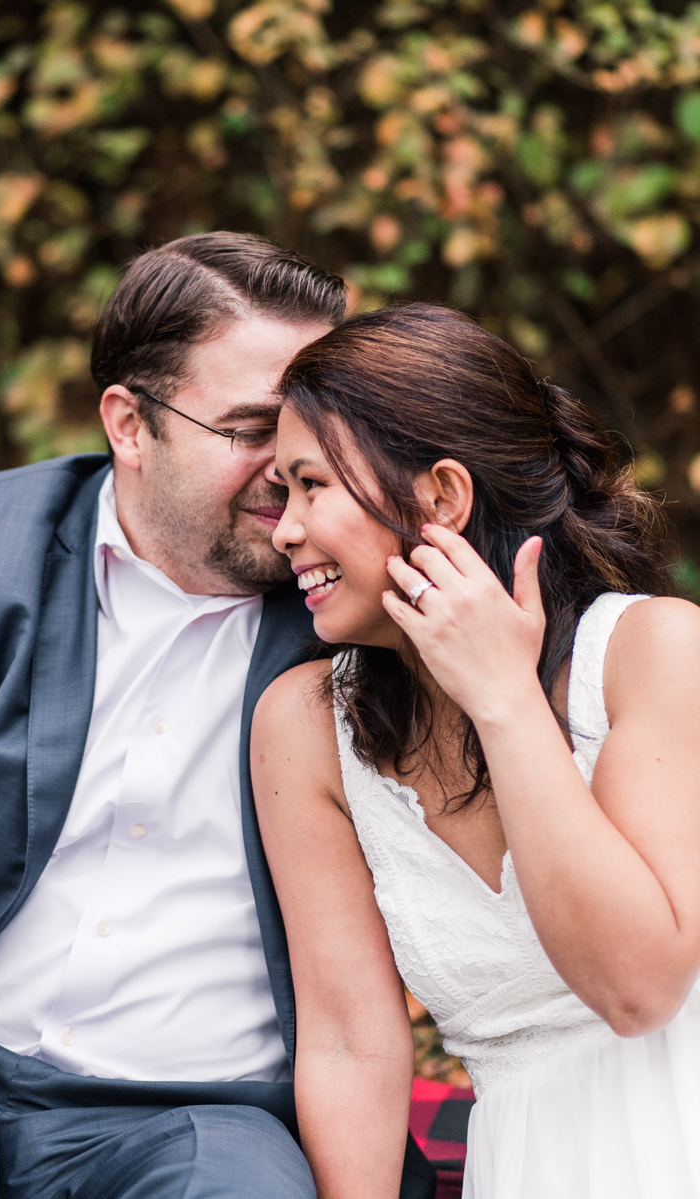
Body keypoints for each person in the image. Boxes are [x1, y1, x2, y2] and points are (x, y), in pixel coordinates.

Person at [0, 232, 436, 1199]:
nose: (293, 467)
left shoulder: (362, 605)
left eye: (319, 431)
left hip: (203, 1120)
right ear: (131, 425)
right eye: (251, 428)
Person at [252, 302, 700, 1199]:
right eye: (282, 492)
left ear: (442, 497)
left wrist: (502, 698)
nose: (284, 530)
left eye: (312, 485)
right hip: (529, 1163)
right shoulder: (303, 727)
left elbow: (639, 988)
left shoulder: (653, 651)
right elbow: (349, 1043)